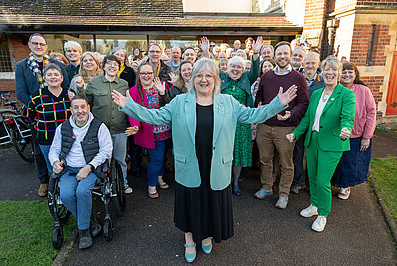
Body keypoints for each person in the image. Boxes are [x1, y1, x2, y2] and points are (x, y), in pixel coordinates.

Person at [112, 57, 296, 263]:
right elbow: (155, 116)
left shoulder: (228, 102)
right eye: (199, 75)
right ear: (192, 78)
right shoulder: (181, 102)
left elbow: (253, 115)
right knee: (191, 203)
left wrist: (277, 104)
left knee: (211, 203)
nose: (204, 79)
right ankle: (189, 238)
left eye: (208, 75)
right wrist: (129, 106)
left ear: (216, 79)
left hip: (216, 163)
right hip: (189, 163)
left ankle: (206, 235)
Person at [286, 57, 356, 232]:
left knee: (323, 181)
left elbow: (347, 117)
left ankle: (323, 214)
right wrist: (295, 134)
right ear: (322, 72)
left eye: (333, 70)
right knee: (313, 177)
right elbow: (308, 119)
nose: (329, 73)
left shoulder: (346, 94)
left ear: (338, 73)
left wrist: (346, 129)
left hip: (332, 143)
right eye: (326, 70)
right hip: (313, 141)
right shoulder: (317, 93)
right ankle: (314, 205)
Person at [49, 95, 113, 249]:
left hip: (91, 168)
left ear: (88, 108)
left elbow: (106, 150)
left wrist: (89, 167)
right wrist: (55, 162)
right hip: (69, 169)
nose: (80, 111)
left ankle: (84, 232)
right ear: (71, 110)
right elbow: (54, 149)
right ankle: (91, 223)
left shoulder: (99, 126)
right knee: (65, 195)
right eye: (76, 108)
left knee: (82, 191)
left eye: (83, 107)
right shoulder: (63, 127)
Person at [202, 36, 262, 196]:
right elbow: (208, 69)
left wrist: (255, 53)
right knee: (222, 153)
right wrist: (206, 52)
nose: (235, 69)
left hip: (241, 123)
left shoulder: (246, 79)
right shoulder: (221, 78)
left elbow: (256, 71)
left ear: (243, 69)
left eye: (239, 67)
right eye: (233, 66)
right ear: (227, 68)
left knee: (238, 154)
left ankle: (235, 183)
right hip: (222, 122)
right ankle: (224, 181)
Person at [254, 41, 309, 209]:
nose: (282, 56)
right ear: (274, 56)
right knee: (265, 159)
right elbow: (259, 97)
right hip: (265, 126)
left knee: (286, 162)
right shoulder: (267, 76)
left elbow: (304, 103)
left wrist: (291, 114)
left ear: (290, 55)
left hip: (286, 128)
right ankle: (266, 187)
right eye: (279, 53)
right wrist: (258, 106)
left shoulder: (299, 78)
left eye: (286, 53)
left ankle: (283, 194)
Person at [15, 33, 69, 197]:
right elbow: (20, 92)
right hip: (38, 116)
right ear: (30, 45)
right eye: (35, 43)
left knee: (65, 148)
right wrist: (39, 106)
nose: (39, 46)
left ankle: (65, 179)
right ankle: (44, 181)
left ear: (46, 46)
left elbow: (65, 87)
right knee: (39, 150)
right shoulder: (22, 66)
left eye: (42, 44)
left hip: (60, 114)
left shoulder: (57, 64)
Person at [85, 55, 132, 194]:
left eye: (115, 65)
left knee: (120, 159)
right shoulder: (93, 83)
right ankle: (100, 182)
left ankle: (123, 183)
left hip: (120, 129)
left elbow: (128, 105)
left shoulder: (124, 84)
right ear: (103, 66)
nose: (112, 66)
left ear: (119, 68)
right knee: (101, 159)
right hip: (100, 131)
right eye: (109, 64)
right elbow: (87, 103)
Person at [126, 62, 171, 198]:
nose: (146, 76)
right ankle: (152, 185)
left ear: (154, 74)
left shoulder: (163, 86)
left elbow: (170, 105)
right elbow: (132, 112)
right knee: (156, 159)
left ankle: (160, 177)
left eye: (149, 73)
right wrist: (135, 126)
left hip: (167, 130)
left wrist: (163, 93)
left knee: (163, 157)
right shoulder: (133, 91)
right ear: (139, 75)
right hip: (151, 133)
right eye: (143, 73)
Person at [331, 62, 376, 199]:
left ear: (355, 74)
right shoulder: (334, 89)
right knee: (336, 162)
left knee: (350, 163)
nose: (347, 75)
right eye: (344, 72)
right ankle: (334, 183)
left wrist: (367, 136)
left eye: (350, 72)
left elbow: (371, 113)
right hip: (335, 134)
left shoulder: (363, 90)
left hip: (356, 135)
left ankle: (345, 186)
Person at [27, 64, 72, 173]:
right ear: (44, 78)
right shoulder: (37, 96)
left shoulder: (69, 94)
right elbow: (28, 115)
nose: (53, 77)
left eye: (56, 74)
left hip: (68, 138)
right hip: (47, 139)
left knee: (70, 167)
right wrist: (38, 126)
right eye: (49, 75)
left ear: (61, 78)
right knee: (54, 169)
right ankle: (55, 188)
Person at [290, 52, 324, 194]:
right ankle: (297, 182)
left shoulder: (323, 81)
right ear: (303, 64)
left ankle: (311, 184)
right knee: (297, 155)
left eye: (313, 63)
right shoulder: (296, 78)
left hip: (316, 124)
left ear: (319, 64)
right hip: (299, 123)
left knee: (313, 155)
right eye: (307, 63)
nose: (310, 66)